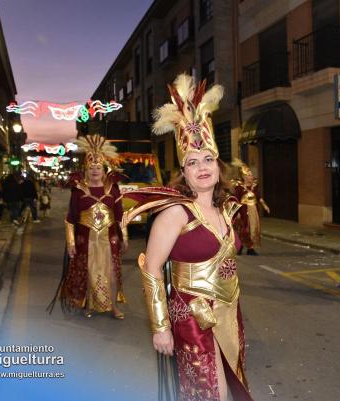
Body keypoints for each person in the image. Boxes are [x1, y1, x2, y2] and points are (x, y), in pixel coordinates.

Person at [122, 74, 254, 401]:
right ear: (184, 172)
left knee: (231, 384)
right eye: (193, 163)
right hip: (193, 316)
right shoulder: (175, 213)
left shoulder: (225, 208)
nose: (203, 167)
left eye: (208, 159)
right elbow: (152, 268)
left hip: (227, 311)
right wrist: (160, 326)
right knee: (209, 392)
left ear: (218, 165)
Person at [52, 134, 128, 320]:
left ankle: (113, 307)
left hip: (109, 239)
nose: (95, 170)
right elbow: (70, 219)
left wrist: (124, 237)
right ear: (87, 169)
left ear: (104, 169)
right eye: (92, 167)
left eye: (98, 167)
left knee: (111, 274)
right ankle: (90, 304)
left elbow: (120, 216)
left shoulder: (113, 189)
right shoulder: (79, 190)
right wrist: (70, 242)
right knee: (88, 273)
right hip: (85, 240)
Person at [231, 158, 270, 256]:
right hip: (243, 211)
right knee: (244, 229)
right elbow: (236, 200)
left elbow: (259, 197)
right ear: (244, 177)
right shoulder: (239, 187)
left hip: (254, 211)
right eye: (249, 175)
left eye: (251, 174)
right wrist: (238, 212)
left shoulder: (254, 186)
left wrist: (265, 206)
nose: (251, 176)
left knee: (253, 229)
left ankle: (250, 248)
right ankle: (241, 246)